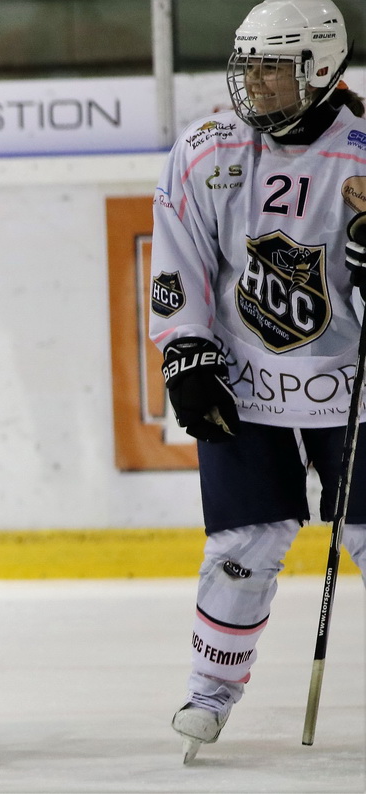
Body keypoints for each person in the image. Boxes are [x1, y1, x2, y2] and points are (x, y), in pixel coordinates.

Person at [149, 0, 366, 764]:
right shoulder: (207, 148)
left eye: (273, 65)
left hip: (356, 391)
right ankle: (208, 695)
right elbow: (179, 257)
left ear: (320, 67)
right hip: (248, 386)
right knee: (244, 544)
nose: (255, 82)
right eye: (248, 64)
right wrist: (186, 354)